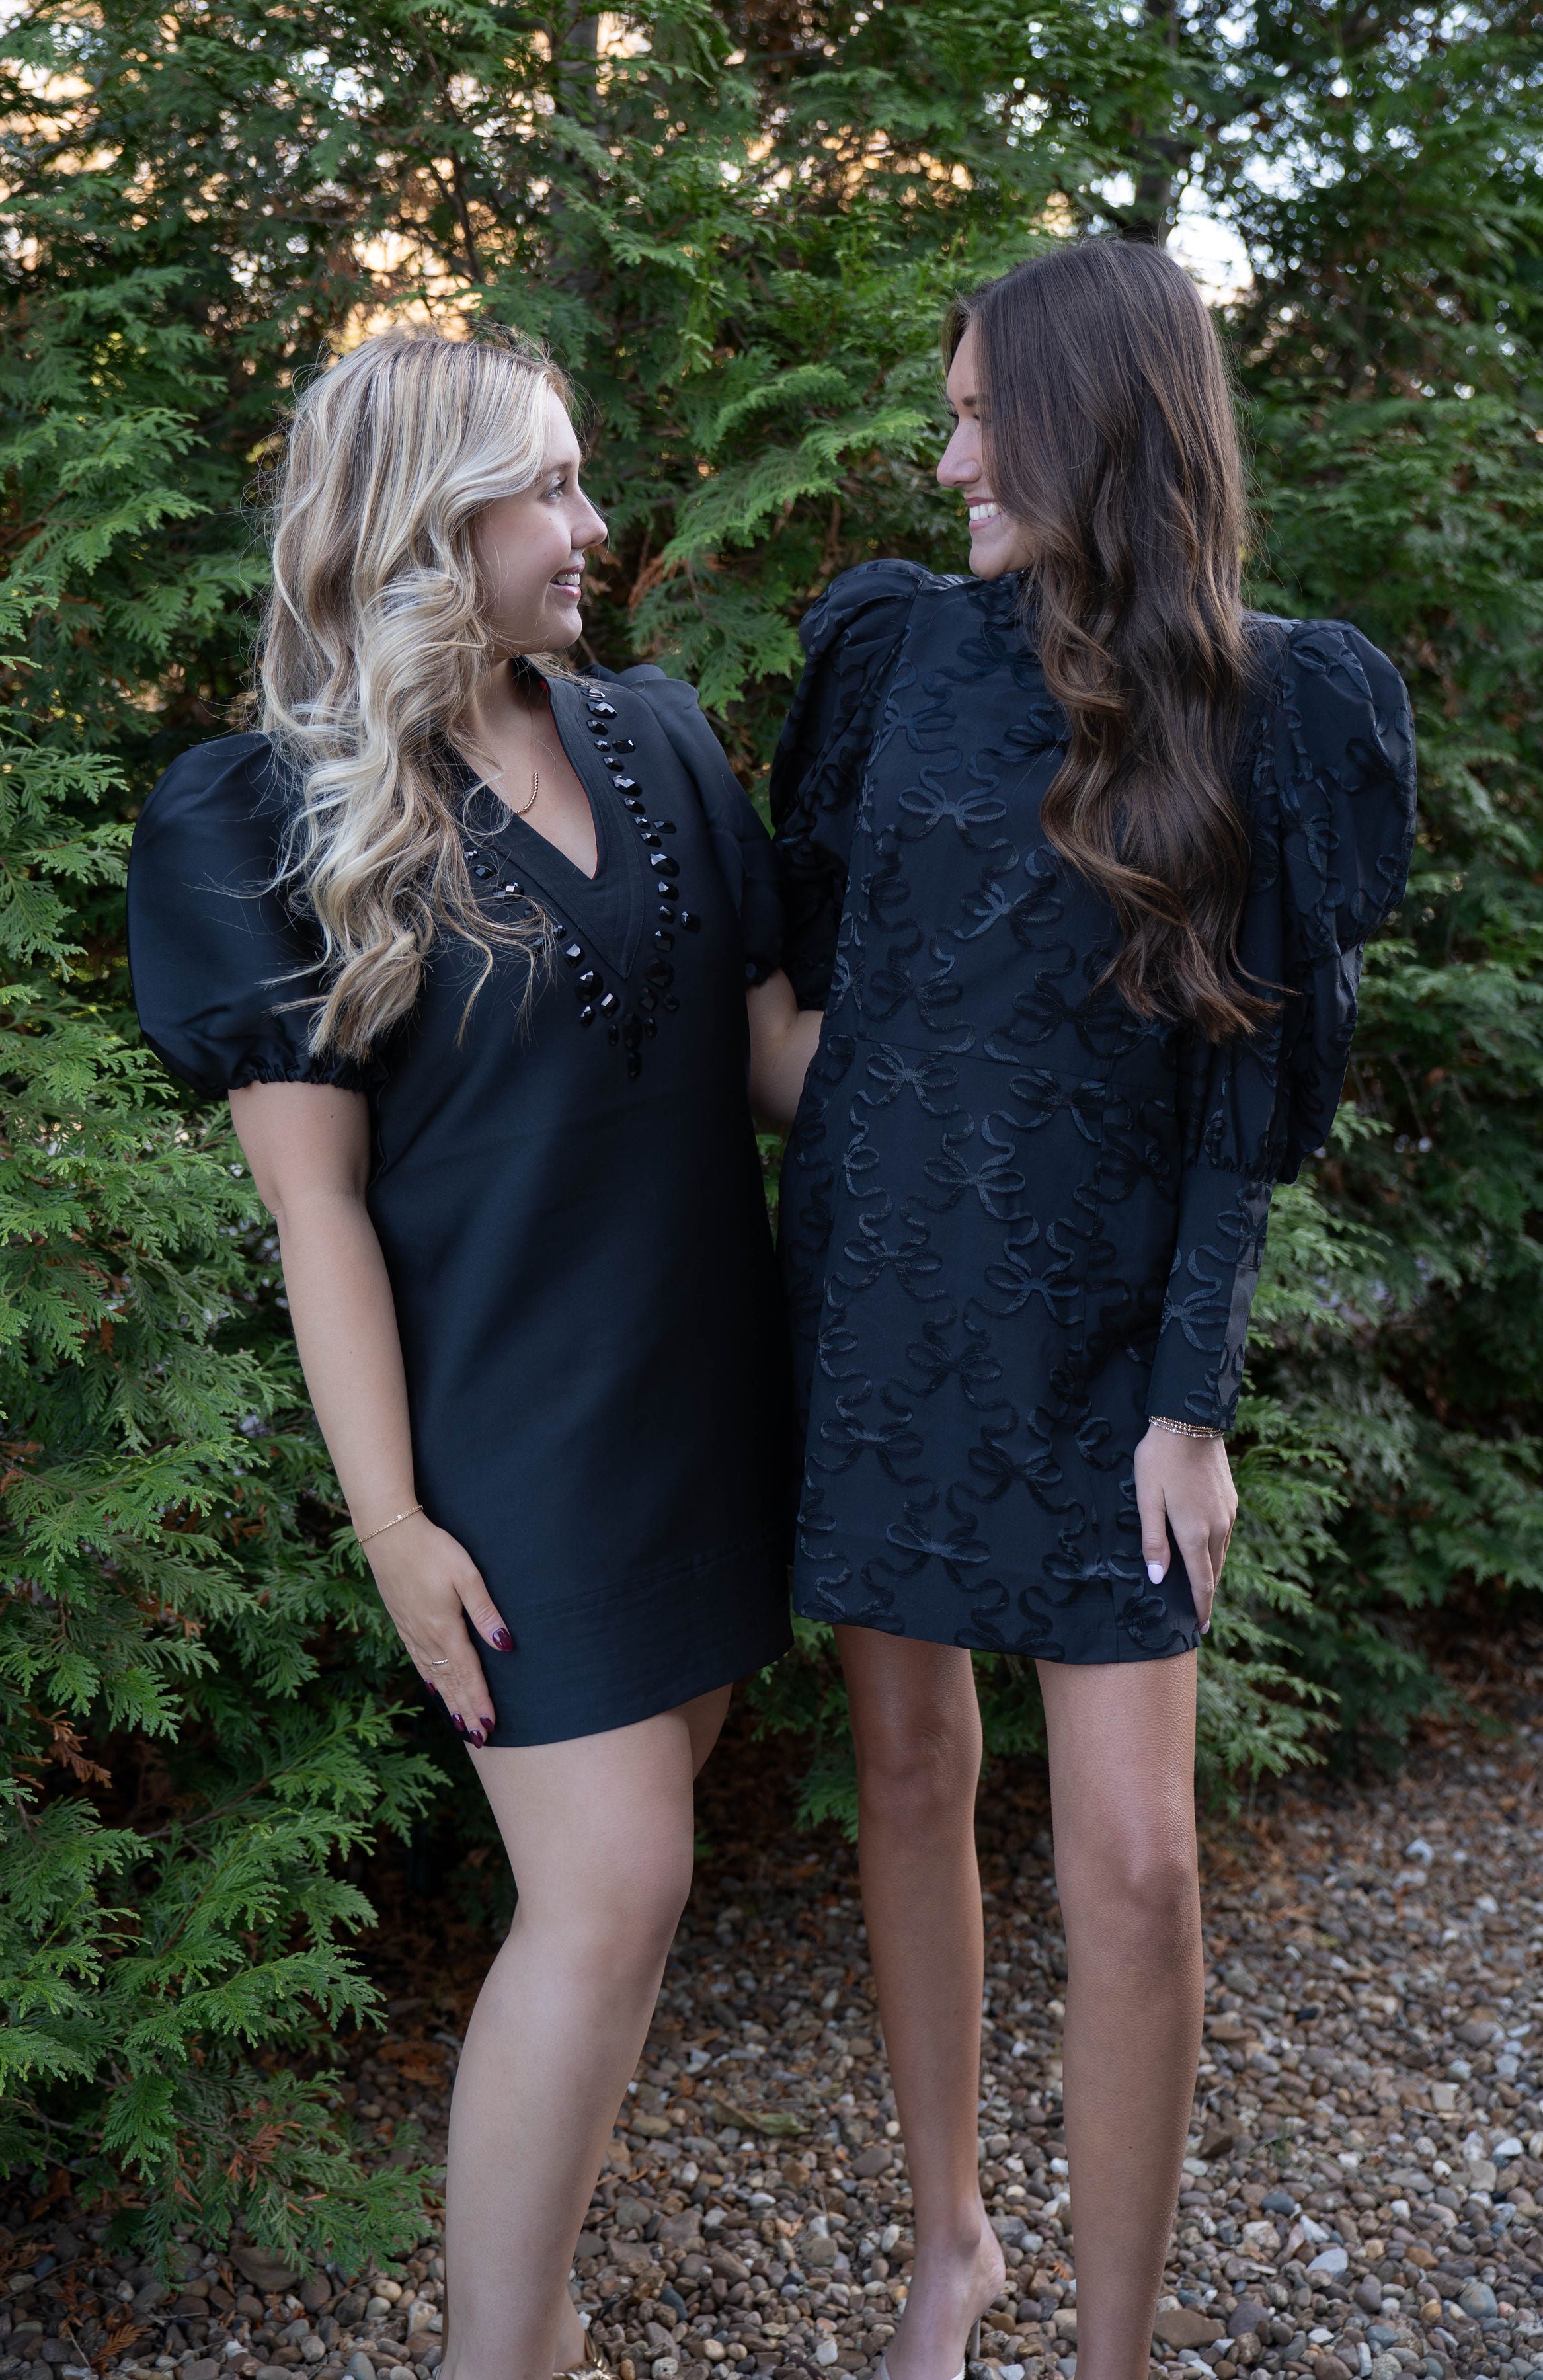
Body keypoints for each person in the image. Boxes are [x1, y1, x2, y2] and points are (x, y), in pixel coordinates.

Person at [126, 327, 818, 2380]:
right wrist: (390, 1523)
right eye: (550, 488)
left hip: (709, 1406)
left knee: (625, 1903)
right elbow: (318, 1212)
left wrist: (1016, 1038)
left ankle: (548, 2302)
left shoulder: (659, 734)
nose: (593, 524)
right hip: (513, 1449)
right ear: (429, 522)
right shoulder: (269, 813)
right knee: (609, 1889)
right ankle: (498, 2356)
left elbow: (774, 1059)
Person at [768, 241, 1417, 2380]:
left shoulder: (1275, 699)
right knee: (905, 1764)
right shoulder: (887, 653)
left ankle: (1113, 2351)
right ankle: (948, 2249)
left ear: (1096, 422)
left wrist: (1188, 1399)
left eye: (982, 418)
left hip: (1105, 1351)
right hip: (881, 1306)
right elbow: (817, 981)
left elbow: (1247, 1093)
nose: (949, 458)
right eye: (948, 415)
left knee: (1134, 1865)